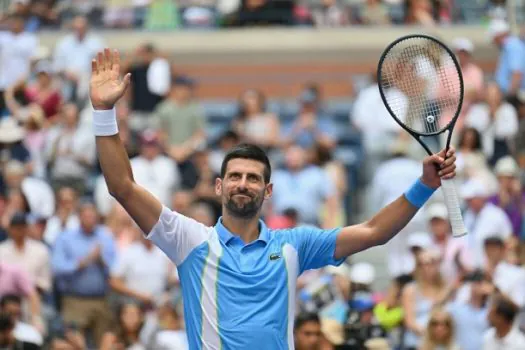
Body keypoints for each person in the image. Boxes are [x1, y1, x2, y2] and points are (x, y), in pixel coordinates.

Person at [89, 48, 457, 349]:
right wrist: (104, 113)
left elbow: (375, 231)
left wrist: (424, 185)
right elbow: (122, 186)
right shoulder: (188, 239)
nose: (242, 183)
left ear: (267, 192)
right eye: (234, 176)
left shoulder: (295, 244)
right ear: (219, 186)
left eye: (253, 178)